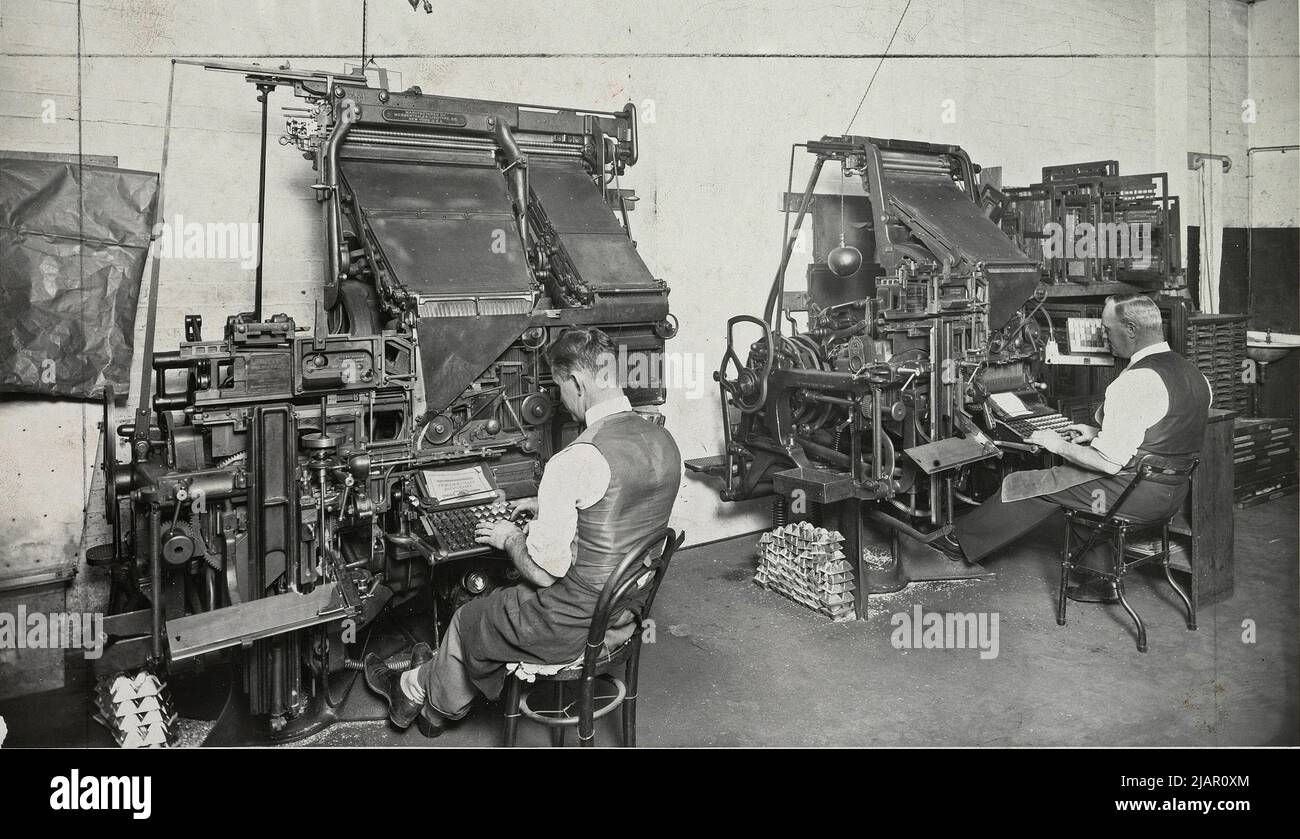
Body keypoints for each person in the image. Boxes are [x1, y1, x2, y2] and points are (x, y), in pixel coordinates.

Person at [364, 327, 682, 736]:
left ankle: (423, 702)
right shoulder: (662, 439)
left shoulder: (575, 460)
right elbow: (623, 514)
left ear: (578, 383)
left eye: (560, 388)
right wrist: (547, 507)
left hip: (571, 627)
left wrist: (508, 537)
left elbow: (543, 573)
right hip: (624, 611)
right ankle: (422, 685)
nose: (561, 402)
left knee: (467, 619)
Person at [934, 294, 1211, 602]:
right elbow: (1160, 435)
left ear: (1131, 329)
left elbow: (1108, 464)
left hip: (1134, 494)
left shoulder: (1135, 381)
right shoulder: (1193, 375)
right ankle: (1101, 579)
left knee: (1036, 482)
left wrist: (1056, 443)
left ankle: (959, 541)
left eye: (1108, 329)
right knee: (1077, 484)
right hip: (1171, 493)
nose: (1105, 337)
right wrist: (1095, 433)